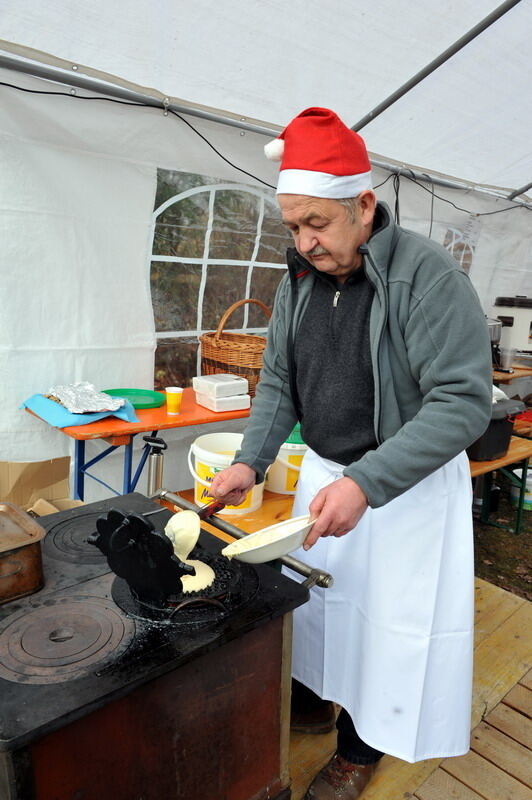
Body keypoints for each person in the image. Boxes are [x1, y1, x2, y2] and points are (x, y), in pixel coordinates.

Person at [210, 107, 492, 800]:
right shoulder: (300, 282)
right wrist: (251, 460)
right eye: (294, 226)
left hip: (405, 488)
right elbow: (279, 378)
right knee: (317, 608)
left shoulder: (424, 277)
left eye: (318, 224)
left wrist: (368, 482)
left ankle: (360, 750)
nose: (305, 243)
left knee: (388, 630)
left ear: (364, 206)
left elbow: (461, 402)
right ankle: (317, 697)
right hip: (328, 476)